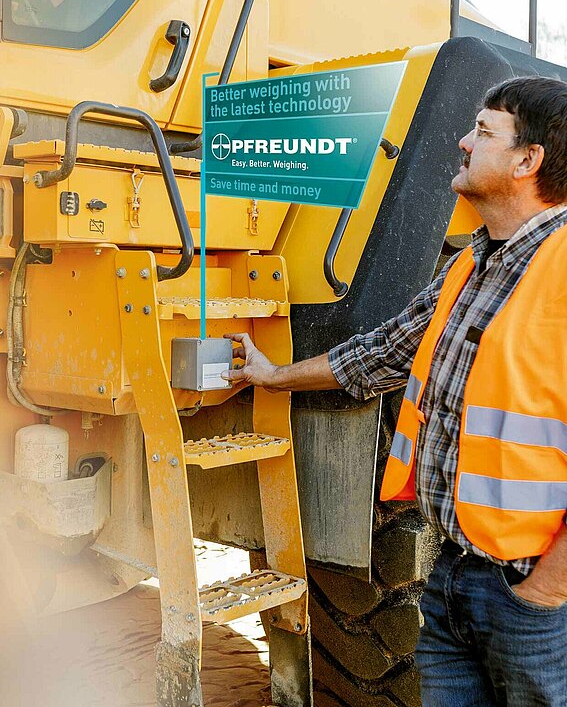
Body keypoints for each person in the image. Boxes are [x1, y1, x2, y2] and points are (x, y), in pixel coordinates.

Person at [221, 75, 567, 707]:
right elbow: (381, 355)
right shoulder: (471, 264)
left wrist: (546, 591)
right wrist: (273, 378)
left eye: (483, 131)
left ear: (527, 160)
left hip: (534, 599)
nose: (462, 141)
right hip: (455, 574)